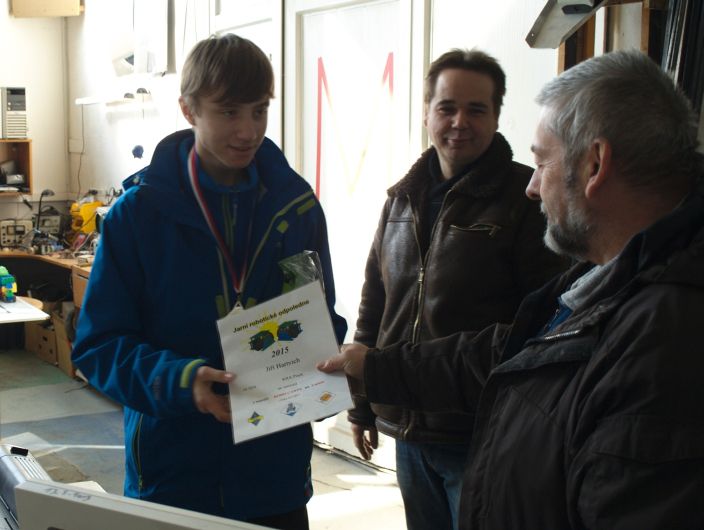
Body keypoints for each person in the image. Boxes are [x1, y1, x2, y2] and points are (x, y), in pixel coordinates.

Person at [320, 49, 704, 529]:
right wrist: (372, 371)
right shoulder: (604, 277)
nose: (532, 186)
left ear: (594, 164)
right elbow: (514, 351)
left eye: (542, 162)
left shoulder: (671, 334)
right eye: (446, 107)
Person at [72, 34, 346, 530]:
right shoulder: (138, 216)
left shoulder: (297, 209)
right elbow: (98, 347)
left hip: (274, 475)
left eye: (259, 111)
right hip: (172, 475)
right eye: (228, 112)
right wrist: (184, 381)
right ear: (188, 109)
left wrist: (324, 367)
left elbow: (320, 316)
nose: (248, 131)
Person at [348, 48, 567, 530]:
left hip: (481, 433)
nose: (459, 122)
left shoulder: (526, 200)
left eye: (476, 109)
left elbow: (542, 325)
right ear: (427, 112)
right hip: (409, 429)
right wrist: (362, 402)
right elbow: (375, 304)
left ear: (497, 116)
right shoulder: (401, 200)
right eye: (446, 107)